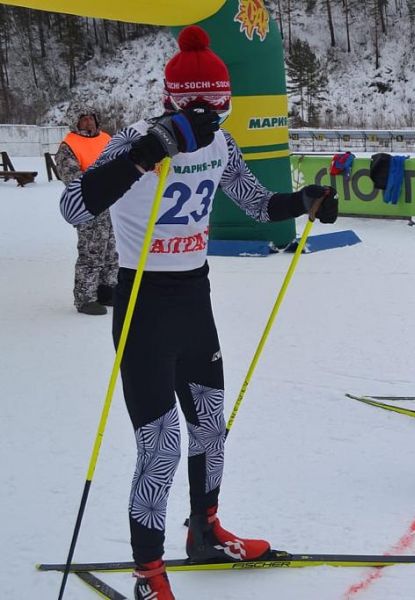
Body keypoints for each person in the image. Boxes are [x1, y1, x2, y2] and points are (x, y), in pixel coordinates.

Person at [59, 26, 338, 600]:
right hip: (143, 306)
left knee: (211, 425)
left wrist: (305, 201)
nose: (214, 117)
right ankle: (147, 573)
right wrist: (144, 155)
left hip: (194, 299)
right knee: (158, 446)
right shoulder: (133, 139)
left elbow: (259, 203)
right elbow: (72, 205)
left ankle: (204, 530)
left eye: (221, 105)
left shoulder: (222, 145)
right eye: (205, 107)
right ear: (175, 102)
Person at [56, 105, 118, 315]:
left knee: (111, 251)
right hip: (88, 206)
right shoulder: (68, 146)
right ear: (76, 122)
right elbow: (71, 178)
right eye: (83, 119)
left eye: (91, 118)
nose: (88, 122)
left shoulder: (107, 139)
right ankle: (85, 298)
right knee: (91, 252)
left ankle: (107, 290)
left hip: (112, 204)